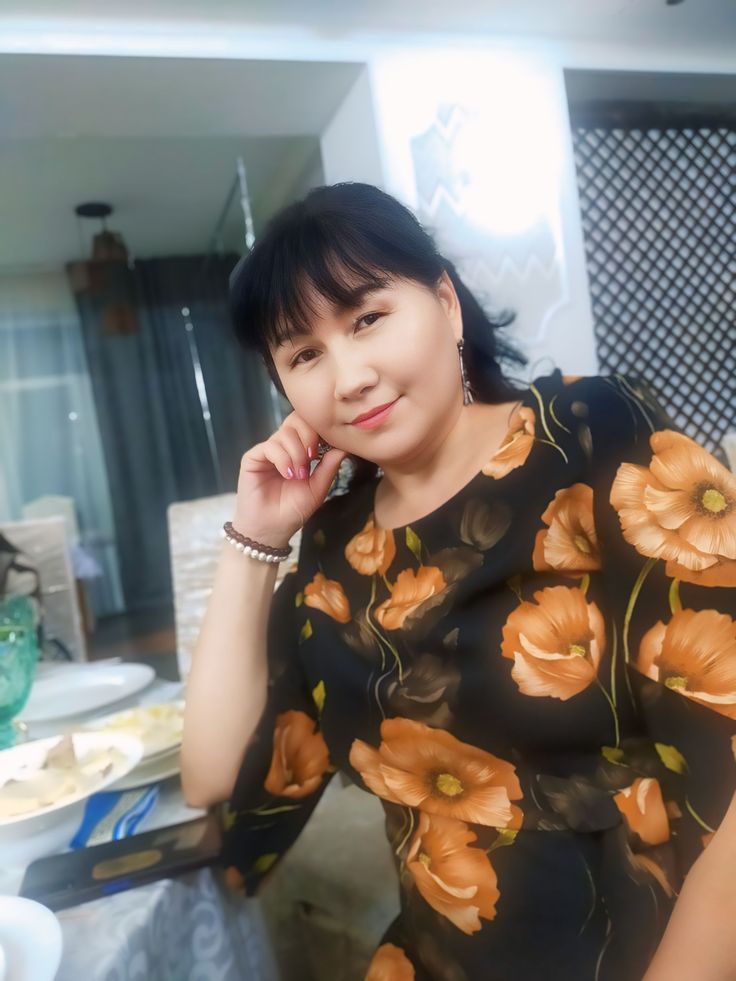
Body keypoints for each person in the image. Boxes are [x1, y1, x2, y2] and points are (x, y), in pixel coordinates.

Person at [181, 182, 736, 981]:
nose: (349, 377)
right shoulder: (335, 550)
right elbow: (212, 773)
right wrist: (256, 540)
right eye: (304, 354)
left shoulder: (589, 436)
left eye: (367, 318)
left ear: (445, 304)